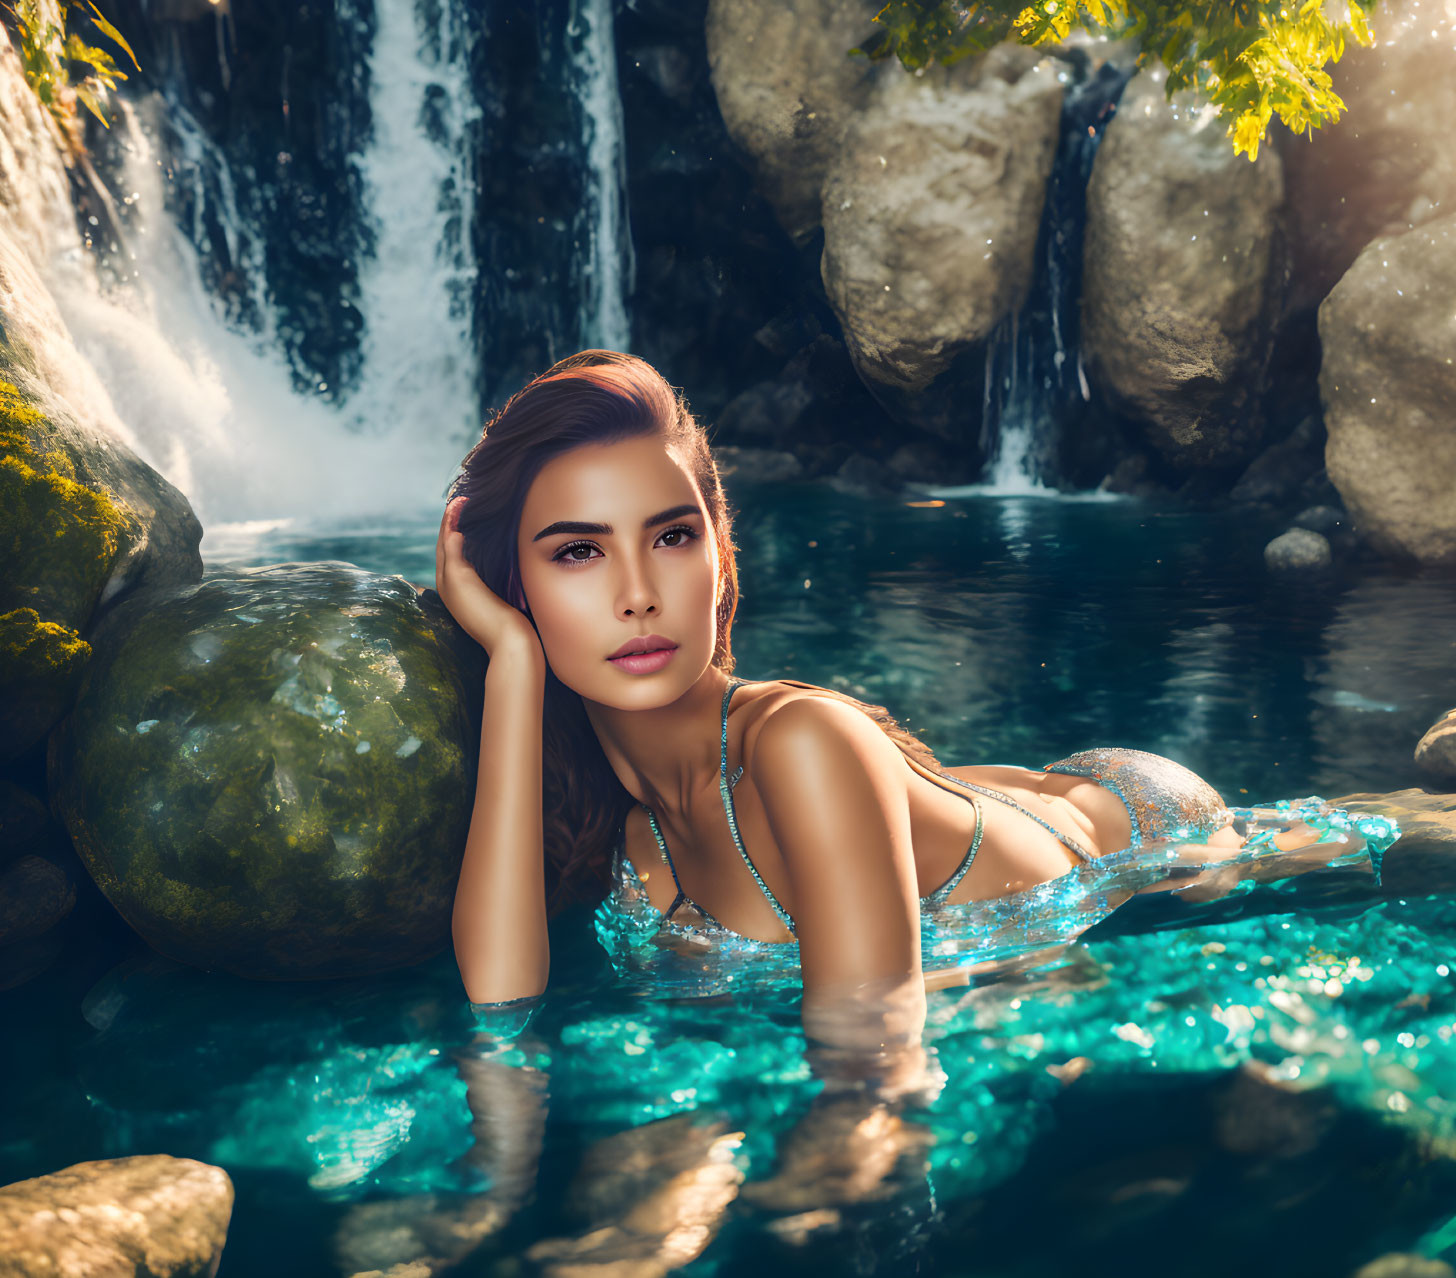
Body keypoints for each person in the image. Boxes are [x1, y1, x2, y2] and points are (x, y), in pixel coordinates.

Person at [436, 350, 1361, 1056]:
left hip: (1140, 825)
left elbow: (874, 1051)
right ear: (512, 586)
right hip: (958, 812)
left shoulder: (802, 741)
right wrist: (512, 667)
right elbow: (503, 1006)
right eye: (577, 552)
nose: (637, 592)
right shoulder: (622, 819)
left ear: (718, 552)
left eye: (671, 535)